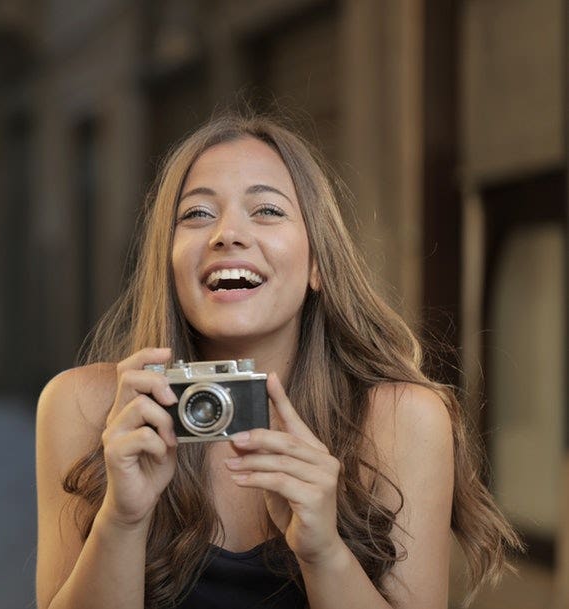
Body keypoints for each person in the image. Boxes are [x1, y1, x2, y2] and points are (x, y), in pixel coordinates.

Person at [35, 114, 521, 609]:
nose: (227, 233)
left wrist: (324, 552)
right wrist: (121, 520)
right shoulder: (86, 406)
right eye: (198, 214)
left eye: (266, 210)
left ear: (317, 264)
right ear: (169, 263)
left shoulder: (401, 418)